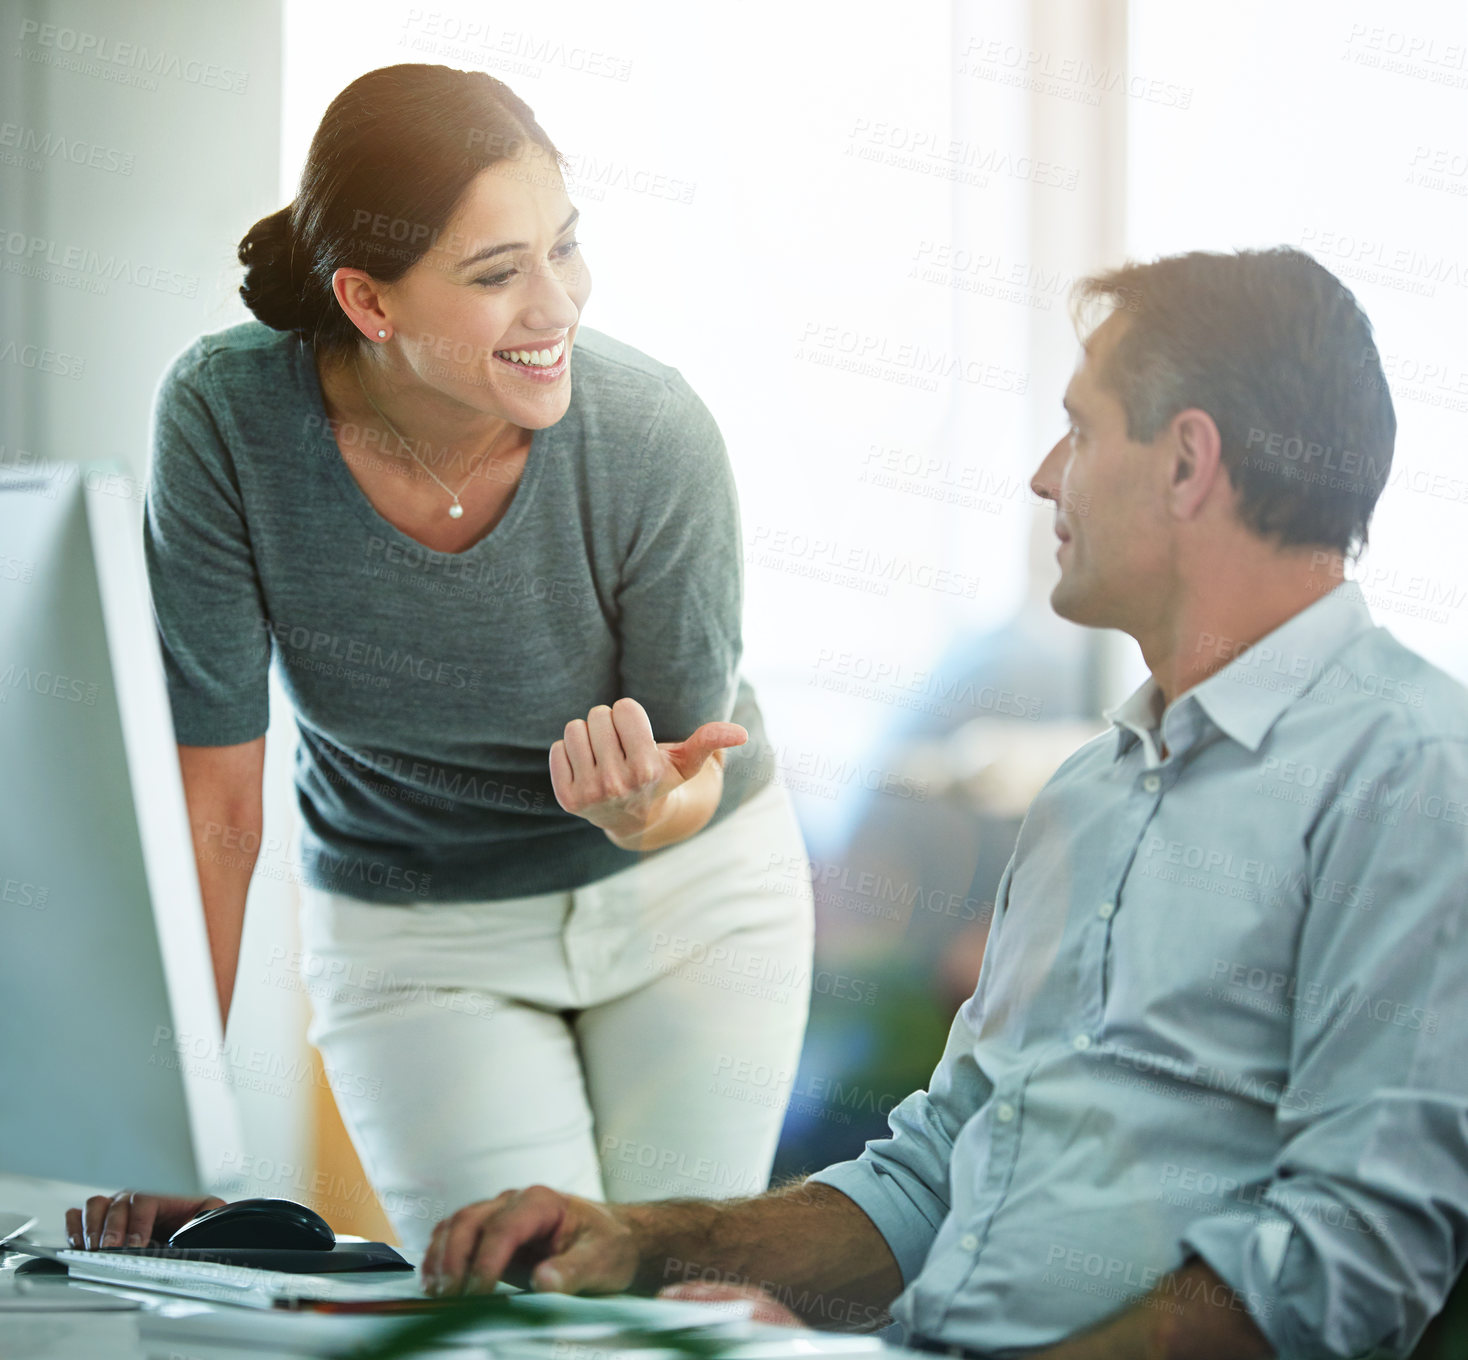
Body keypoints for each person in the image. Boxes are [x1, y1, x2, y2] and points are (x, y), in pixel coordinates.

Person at [402, 247, 1468, 1359]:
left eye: (1083, 429)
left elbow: (1346, 1262)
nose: (1046, 474)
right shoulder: (1090, 798)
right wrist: (637, 1241)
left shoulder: (1410, 770)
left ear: (1188, 461)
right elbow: (933, 1173)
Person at [143, 63, 813, 1251]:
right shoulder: (224, 419)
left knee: (662, 1305)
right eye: (499, 274)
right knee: (511, 1295)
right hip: (417, 931)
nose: (556, 306)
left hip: (686, 898)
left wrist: (641, 805)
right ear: (368, 302)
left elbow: (689, 770)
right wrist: (164, 1125)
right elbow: (217, 803)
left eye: (565, 249)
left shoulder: (651, 433)